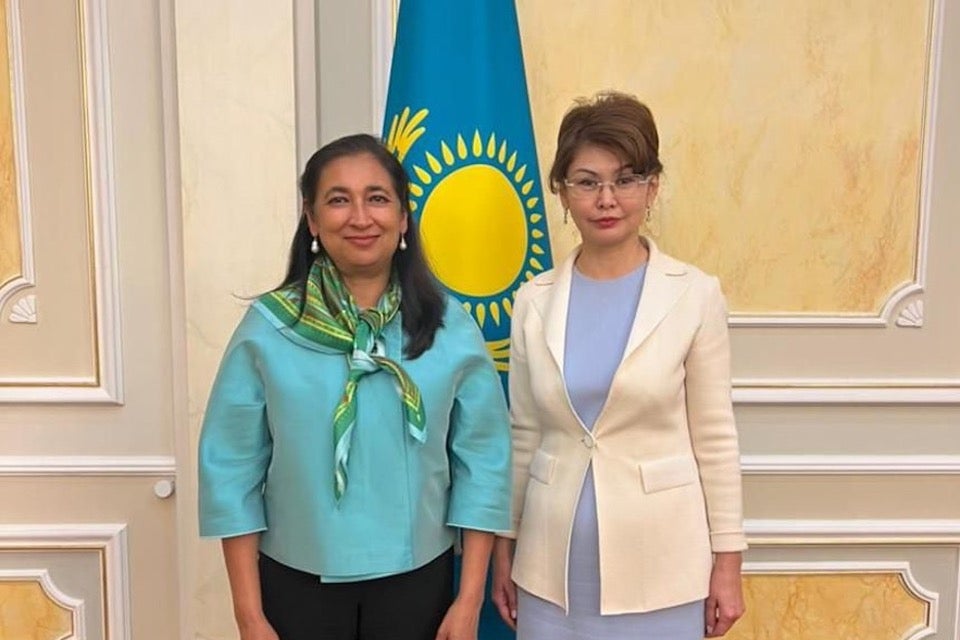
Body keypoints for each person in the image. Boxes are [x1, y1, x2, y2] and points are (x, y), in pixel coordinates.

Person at [198, 133, 512, 640]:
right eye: (339, 200)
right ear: (312, 219)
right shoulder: (268, 329)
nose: (361, 217)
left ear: (404, 217)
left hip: (420, 582)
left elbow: (484, 462)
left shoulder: (450, 328)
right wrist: (249, 615)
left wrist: (469, 597)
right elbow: (230, 470)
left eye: (378, 198)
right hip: (296, 583)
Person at [491, 92, 747, 639]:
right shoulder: (534, 300)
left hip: (664, 571)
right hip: (549, 572)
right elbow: (523, 435)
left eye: (626, 179)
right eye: (587, 181)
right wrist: (504, 548)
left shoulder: (695, 295)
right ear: (561, 191)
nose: (607, 199)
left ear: (652, 187)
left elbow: (716, 438)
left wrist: (729, 562)